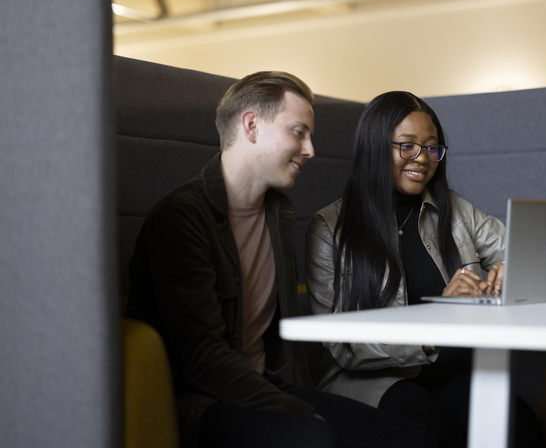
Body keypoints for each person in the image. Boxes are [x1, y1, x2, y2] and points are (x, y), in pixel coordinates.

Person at [126, 73, 436, 448]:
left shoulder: (278, 214)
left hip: (266, 385)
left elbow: (281, 345)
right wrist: (301, 410)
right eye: (298, 132)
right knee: (315, 436)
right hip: (203, 401)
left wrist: (303, 400)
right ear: (252, 125)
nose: (310, 150)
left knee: (409, 437)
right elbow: (202, 362)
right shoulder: (182, 219)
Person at [305, 90, 546, 448]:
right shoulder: (330, 227)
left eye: (432, 148)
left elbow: (526, 253)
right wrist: (435, 325)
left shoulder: (454, 210)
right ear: (375, 147)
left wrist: (510, 269)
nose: (422, 158)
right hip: (372, 377)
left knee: (520, 429)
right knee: (433, 432)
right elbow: (345, 345)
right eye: (407, 146)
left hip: (444, 367)